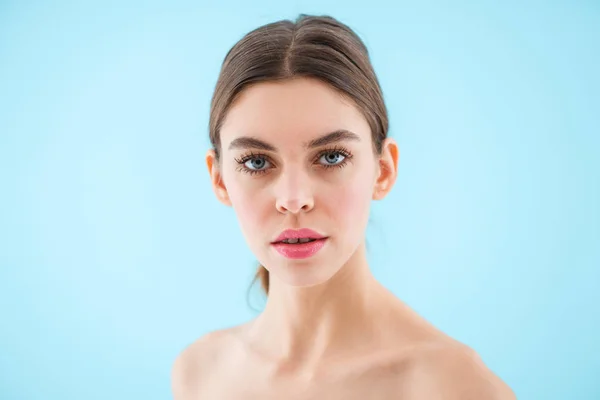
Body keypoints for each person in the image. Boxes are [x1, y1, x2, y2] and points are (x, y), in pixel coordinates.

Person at [171, 14, 516, 399]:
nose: (293, 198)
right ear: (219, 179)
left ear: (383, 170)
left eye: (331, 157)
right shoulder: (199, 373)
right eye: (256, 162)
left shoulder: (454, 388)